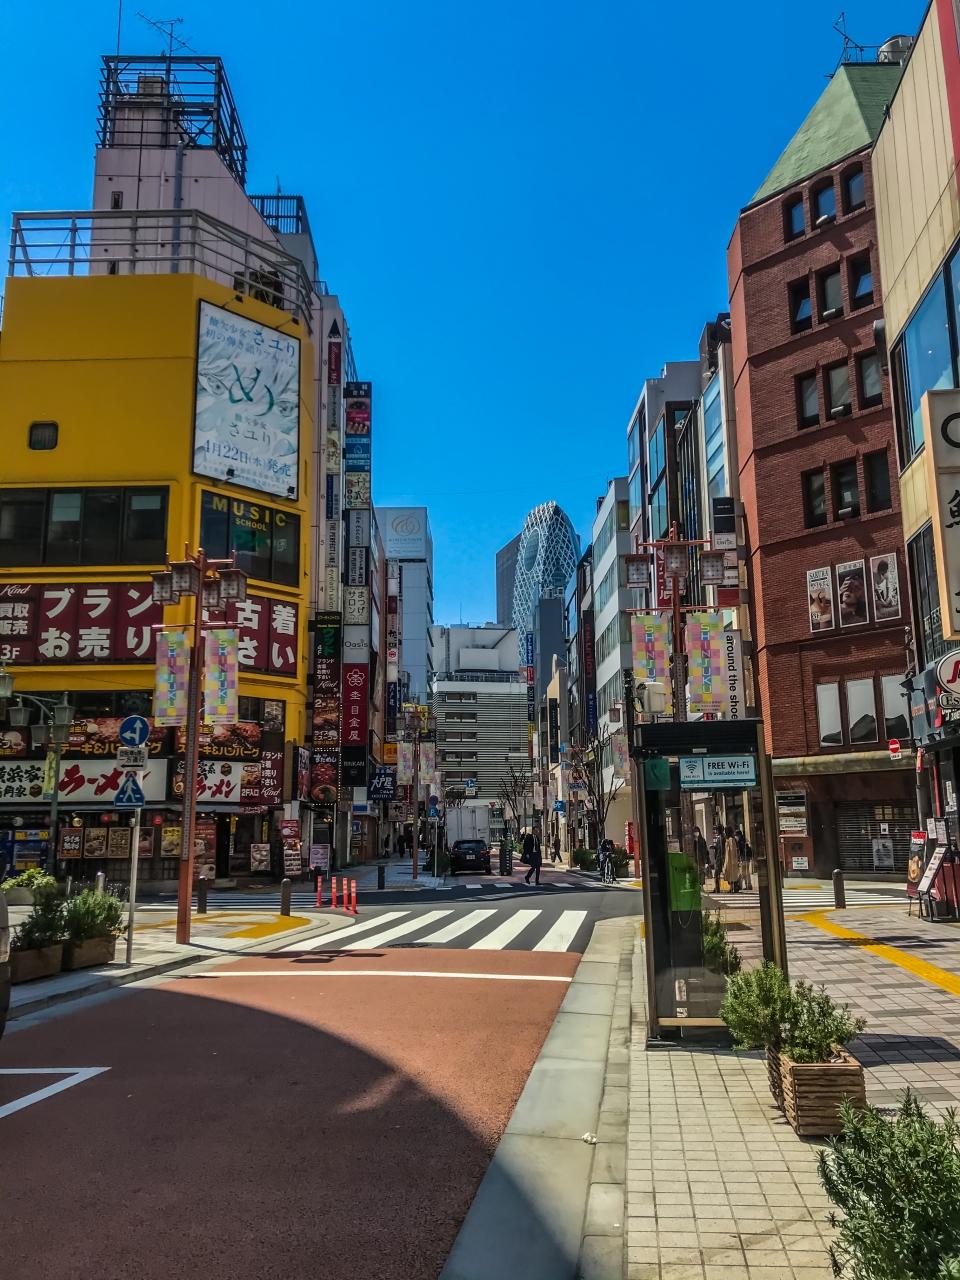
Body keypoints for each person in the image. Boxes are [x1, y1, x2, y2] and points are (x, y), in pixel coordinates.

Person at [722, 826, 741, 892]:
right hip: (728, 860)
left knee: (732, 875)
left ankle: (733, 887)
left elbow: (733, 850)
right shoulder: (727, 840)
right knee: (728, 874)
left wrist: (734, 861)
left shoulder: (731, 840)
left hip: (731, 860)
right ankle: (732, 887)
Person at [712, 828, 724, 893]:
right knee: (717, 874)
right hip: (719, 858)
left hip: (719, 858)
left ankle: (717, 888)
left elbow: (721, 850)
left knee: (716, 874)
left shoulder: (720, 838)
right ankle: (717, 887)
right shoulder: (721, 838)